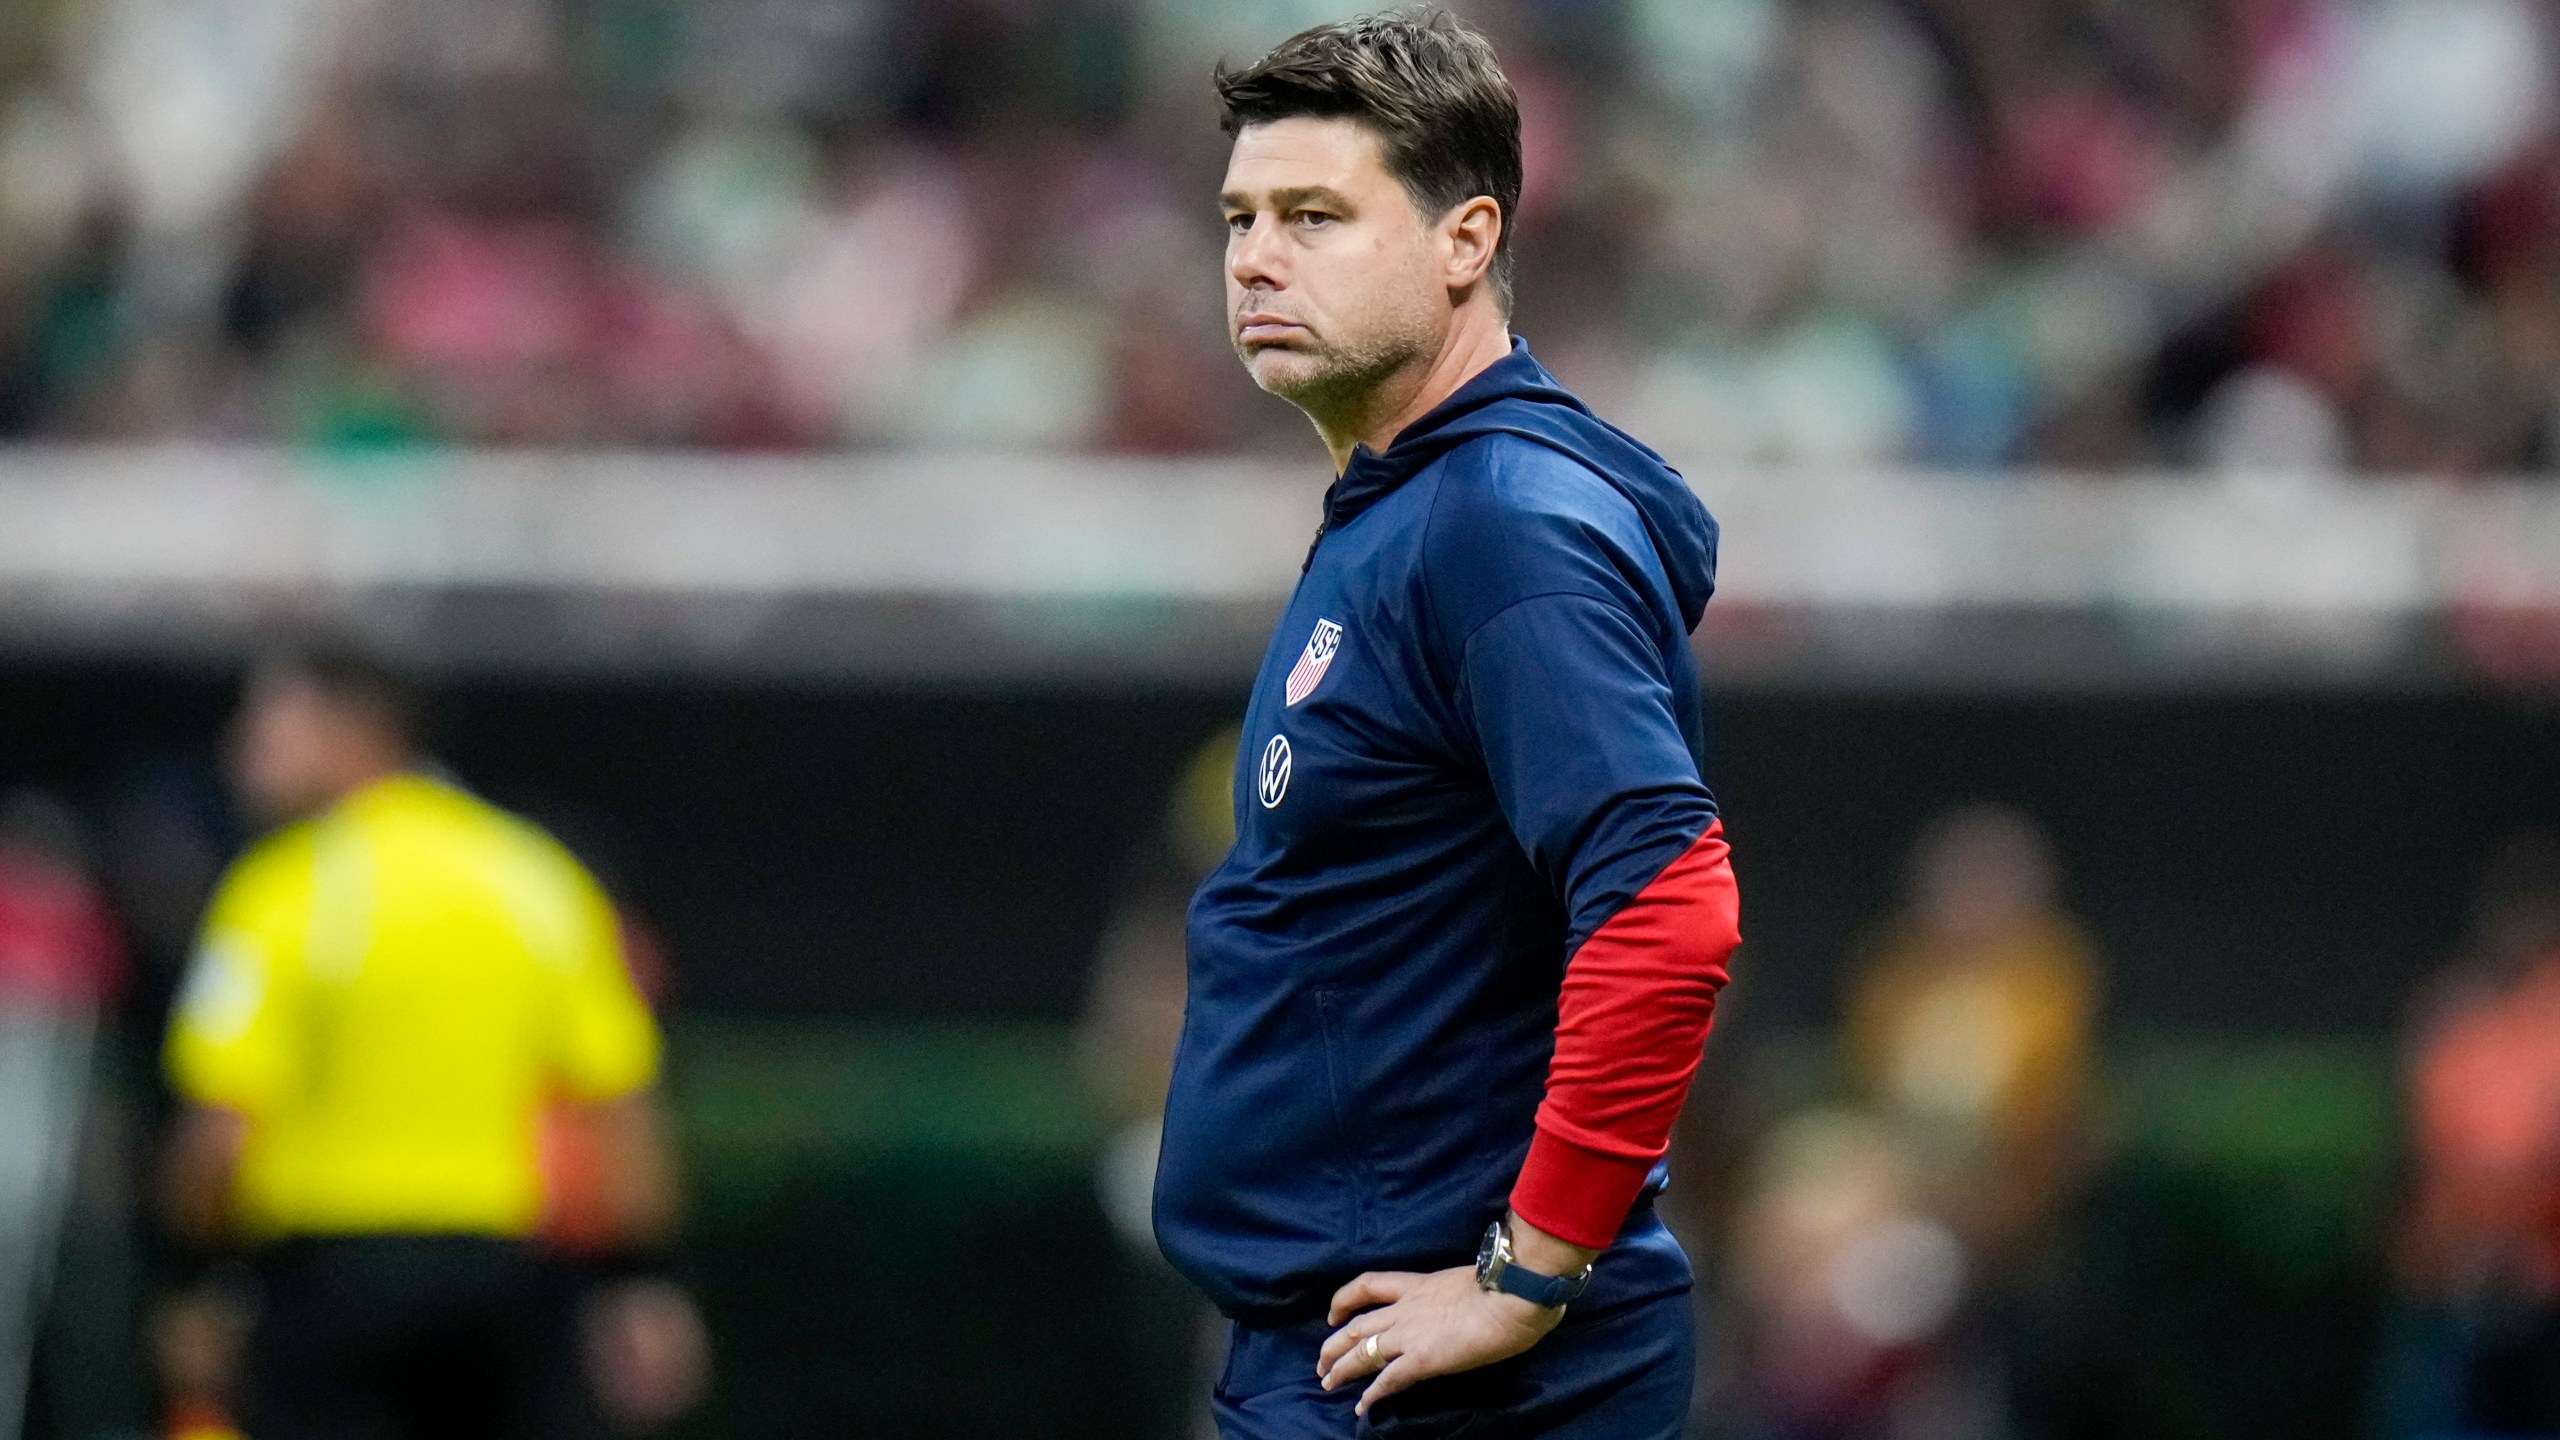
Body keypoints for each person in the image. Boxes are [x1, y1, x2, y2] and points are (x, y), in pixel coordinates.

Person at [1153, 13, 1744, 1435]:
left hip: (1454, 1376)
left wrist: (1524, 1277)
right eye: (1239, 217)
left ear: (1467, 239)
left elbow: (1671, 908)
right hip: (1358, 1349)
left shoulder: (1499, 527)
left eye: (1314, 215)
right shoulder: (1411, 503)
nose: (1254, 257)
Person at [158, 642, 704, 1439]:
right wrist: (642, 1282)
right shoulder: (536, 880)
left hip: (325, 1291)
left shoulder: (278, 896)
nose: (243, 745)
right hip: (502, 1288)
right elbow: (622, 1105)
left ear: (356, 731)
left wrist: (199, 1281)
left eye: (273, 719)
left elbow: (219, 1129)